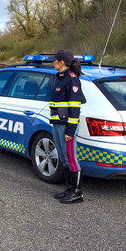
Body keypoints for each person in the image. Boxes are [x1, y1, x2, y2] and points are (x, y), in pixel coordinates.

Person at [49, 50, 86, 204]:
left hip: (66, 127)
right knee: (64, 158)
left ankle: (77, 193)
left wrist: (70, 131)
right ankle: (69, 189)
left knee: (71, 158)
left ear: (62, 62)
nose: (53, 62)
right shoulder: (61, 78)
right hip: (57, 124)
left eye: (55, 60)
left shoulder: (72, 80)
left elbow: (75, 108)